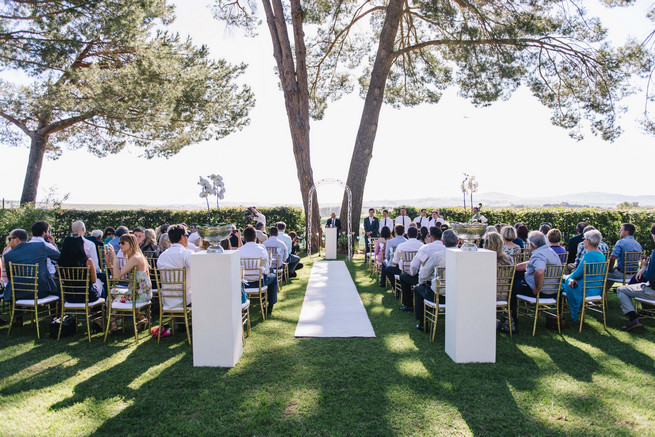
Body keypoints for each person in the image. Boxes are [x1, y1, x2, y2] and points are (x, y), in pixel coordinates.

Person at [509, 231, 562, 332]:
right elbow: (530, 264)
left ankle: (511, 320)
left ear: (531, 244)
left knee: (511, 287)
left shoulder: (539, 255)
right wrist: (513, 267)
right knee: (517, 280)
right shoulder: (550, 252)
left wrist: (537, 288)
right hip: (553, 291)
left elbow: (540, 272)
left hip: (541, 292)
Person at [104, 233, 152, 330]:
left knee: (112, 294)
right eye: (119, 243)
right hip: (139, 292)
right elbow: (116, 276)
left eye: (122, 243)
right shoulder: (134, 256)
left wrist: (114, 257)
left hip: (140, 295)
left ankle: (113, 324)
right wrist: (109, 262)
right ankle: (141, 318)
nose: (120, 245)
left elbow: (116, 277)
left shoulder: (135, 258)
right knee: (114, 292)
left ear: (130, 243)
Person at [413, 229, 457, 330]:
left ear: (443, 242)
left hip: (441, 296)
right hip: (459, 296)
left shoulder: (438, 256)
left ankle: (423, 323)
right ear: (457, 241)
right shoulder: (465, 256)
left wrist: (425, 281)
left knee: (418, 288)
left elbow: (423, 276)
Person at [615, 224, 655, 331]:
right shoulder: (638, 244)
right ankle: (647, 309)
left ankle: (633, 319)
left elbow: (650, 276)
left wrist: (644, 268)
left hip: (652, 292)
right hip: (634, 274)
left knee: (621, 290)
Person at [3, 228, 60, 302]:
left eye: (9, 239)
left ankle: (17, 312)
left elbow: (10, 277)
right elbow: (60, 257)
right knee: (58, 283)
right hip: (41, 291)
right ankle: (56, 311)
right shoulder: (40, 247)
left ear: (16, 240)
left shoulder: (8, 256)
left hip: (19, 294)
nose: (9, 242)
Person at [562, 230, 606, 321]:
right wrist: (573, 278)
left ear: (589, 241)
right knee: (569, 280)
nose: (583, 241)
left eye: (584, 239)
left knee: (563, 283)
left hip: (586, 289)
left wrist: (569, 278)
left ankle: (558, 313)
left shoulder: (588, 255)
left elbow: (578, 272)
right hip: (596, 289)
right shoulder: (601, 255)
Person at [398, 227, 443, 311]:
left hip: (426, 280)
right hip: (442, 281)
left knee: (404, 277)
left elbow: (414, 265)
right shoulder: (445, 249)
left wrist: (413, 272)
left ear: (432, 237)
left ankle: (408, 304)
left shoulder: (425, 248)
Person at [239, 226, 278, 315]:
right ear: (255, 237)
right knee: (273, 277)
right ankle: (270, 306)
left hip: (244, 284)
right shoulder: (262, 250)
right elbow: (266, 270)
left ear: (244, 238)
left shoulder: (239, 251)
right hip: (260, 282)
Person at [156, 224, 193, 310]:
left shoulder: (162, 256)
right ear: (182, 237)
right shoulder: (186, 253)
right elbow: (198, 269)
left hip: (167, 300)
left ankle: (181, 321)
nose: (188, 238)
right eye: (187, 235)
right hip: (186, 299)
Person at [57, 235, 101, 303]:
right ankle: (99, 311)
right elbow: (93, 280)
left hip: (70, 296)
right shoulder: (88, 261)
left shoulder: (61, 262)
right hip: (88, 296)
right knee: (99, 283)